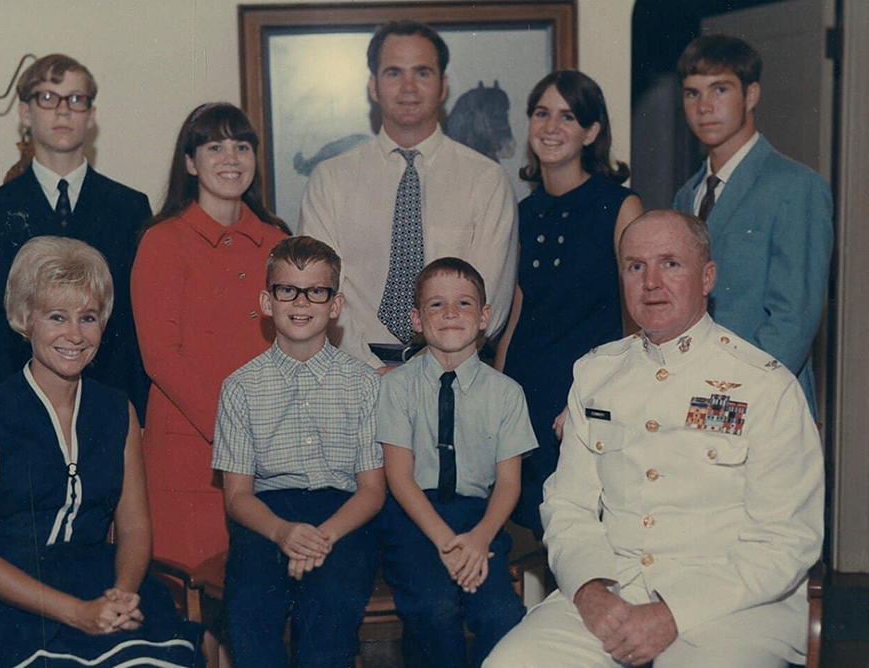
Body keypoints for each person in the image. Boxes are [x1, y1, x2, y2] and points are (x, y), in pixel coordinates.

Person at [485, 210, 824, 668]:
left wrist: (673, 613)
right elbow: (567, 507)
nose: (651, 283)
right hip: (612, 589)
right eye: (635, 266)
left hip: (731, 607)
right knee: (512, 662)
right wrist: (589, 591)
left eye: (670, 263)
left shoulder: (764, 385)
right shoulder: (596, 373)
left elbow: (786, 539)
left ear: (707, 277)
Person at [0, 237, 202, 668]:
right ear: (25, 319)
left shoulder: (117, 410)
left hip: (100, 583)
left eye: (88, 317)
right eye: (57, 316)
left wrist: (122, 594)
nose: (75, 334)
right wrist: (77, 613)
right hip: (4, 601)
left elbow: (134, 528)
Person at [299, 20, 518, 369]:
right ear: (373, 86)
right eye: (393, 73)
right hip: (350, 372)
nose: (409, 87)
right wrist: (370, 370)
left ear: (444, 85)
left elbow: (490, 300)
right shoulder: (329, 180)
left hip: (452, 372)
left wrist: (422, 374)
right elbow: (316, 291)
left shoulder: (487, 180)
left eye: (422, 72)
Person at [212, 236, 385, 668]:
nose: (301, 302)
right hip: (267, 517)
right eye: (287, 289)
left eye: (316, 291)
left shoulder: (365, 383)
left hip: (343, 517)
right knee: (249, 610)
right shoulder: (240, 387)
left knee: (328, 615)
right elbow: (237, 497)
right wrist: (282, 533)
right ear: (267, 302)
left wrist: (322, 538)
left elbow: (372, 490)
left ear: (336, 304)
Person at [131, 103, 289, 570]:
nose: (231, 159)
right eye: (214, 147)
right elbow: (161, 357)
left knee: (266, 590)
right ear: (190, 162)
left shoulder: (278, 242)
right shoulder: (162, 241)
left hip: (272, 451)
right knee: (196, 592)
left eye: (242, 146)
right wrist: (235, 433)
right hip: (194, 453)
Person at [0, 54, 150, 422]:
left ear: (91, 115)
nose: (63, 110)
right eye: (48, 97)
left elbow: (135, 326)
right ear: (25, 113)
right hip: (18, 410)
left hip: (107, 406)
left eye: (76, 99)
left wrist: (140, 419)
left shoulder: (129, 207)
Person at [494, 69, 643, 533]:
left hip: (586, 393)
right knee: (530, 523)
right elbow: (516, 313)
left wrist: (598, 397)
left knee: (585, 529)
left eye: (568, 116)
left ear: (591, 132)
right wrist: (495, 398)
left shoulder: (621, 206)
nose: (551, 127)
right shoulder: (522, 213)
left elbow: (638, 322)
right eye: (542, 113)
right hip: (526, 393)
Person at [377, 257, 536, 667]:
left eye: (464, 303)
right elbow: (399, 477)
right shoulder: (396, 387)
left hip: (479, 520)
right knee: (432, 608)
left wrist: (479, 539)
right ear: (416, 318)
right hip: (414, 518)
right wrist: (445, 544)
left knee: (500, 614)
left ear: (484, 317)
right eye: (436, 304)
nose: (450, 312)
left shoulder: (507, 393)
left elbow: (509, 483)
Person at [673, 35, 833, 417]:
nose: (704, 107)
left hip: (762, 403)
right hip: (692, 399)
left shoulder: (795, 185)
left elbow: (793, 320)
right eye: (692, 93)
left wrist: (726, 401)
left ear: (752, 95)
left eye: (720, 89)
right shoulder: (686, 196)